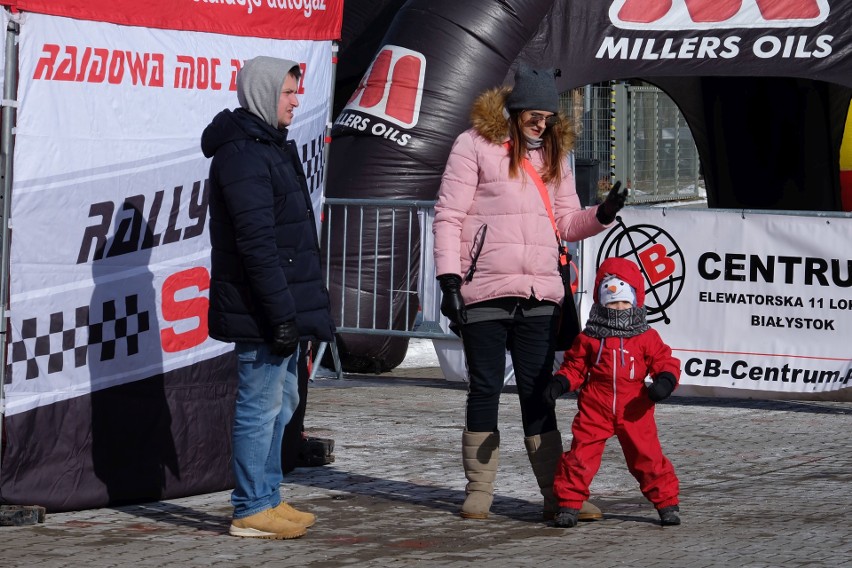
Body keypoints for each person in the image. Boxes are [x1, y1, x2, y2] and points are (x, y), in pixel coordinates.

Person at [432, 62, 627, 521]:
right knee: (483, 388)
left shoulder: (556, 154)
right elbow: (448, 216)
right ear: (516, 111)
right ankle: (479, 489)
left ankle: (558, 493)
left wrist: (603, 214)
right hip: (484, 288)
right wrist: (449, 281)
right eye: (534, 116)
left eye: (549, 117)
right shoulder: (473, 145)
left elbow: (566, 222)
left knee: (538, 392)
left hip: (539, 292)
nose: (542, 124)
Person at [201, 56, 336, 540]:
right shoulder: (241, 154)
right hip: (258, 308)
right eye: (288, 93)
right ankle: (250, 508)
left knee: (285, 401)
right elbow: (258, 244)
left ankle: (268, 496)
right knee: (260, 406)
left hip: (279, 305)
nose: (296, 101)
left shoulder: (271, 147)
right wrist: (281, 315)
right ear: (262, 94)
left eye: (298, 93)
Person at [544, 257, 682, 528]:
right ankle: (569, 505)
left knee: (647, 457)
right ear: (601, 303)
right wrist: (559, 383)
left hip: (635, 407)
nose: (618, 308)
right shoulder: (590, 337)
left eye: (624, 302)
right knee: (580, 457)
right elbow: (575, 367)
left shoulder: (645, 336)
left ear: (635, 301)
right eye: (612, 302)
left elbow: (665, 361)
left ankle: (667, 503)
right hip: (596, 404)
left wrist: (664, 382)